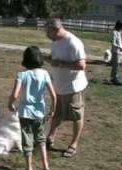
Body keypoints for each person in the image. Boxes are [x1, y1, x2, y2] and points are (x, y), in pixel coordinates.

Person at [8, 46, 57, 170]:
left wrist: (10, 104)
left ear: (26, 59)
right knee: (41, 139)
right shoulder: (45, 74)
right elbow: (53, 95)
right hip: (39, 113)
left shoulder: (22, 75)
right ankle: (46, 166)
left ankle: (29, 169)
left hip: (24, 113)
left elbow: (16, 94)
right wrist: (52, 110)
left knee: (27, 141)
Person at [44, 18, 88, 158]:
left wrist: (60, 64)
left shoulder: (73, 42)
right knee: (56, 113)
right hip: (59, 86)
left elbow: (82, 65)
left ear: (55, 29)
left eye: (47, 31)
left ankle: (73, 145)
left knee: (76, 116)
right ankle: (50, 137)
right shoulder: (56, 41)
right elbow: (55, 58)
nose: (46, 34)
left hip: (73, 87)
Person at [109, 20, 122, 85]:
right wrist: (120, 47)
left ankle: (114, 78)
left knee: (117, 66)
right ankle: (115, 79)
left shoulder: (119, 33)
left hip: (119, 52)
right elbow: (113, 43)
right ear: (119, 26)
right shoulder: (114, 32)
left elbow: (119, 42)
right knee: (116, 66)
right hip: (116, 51)